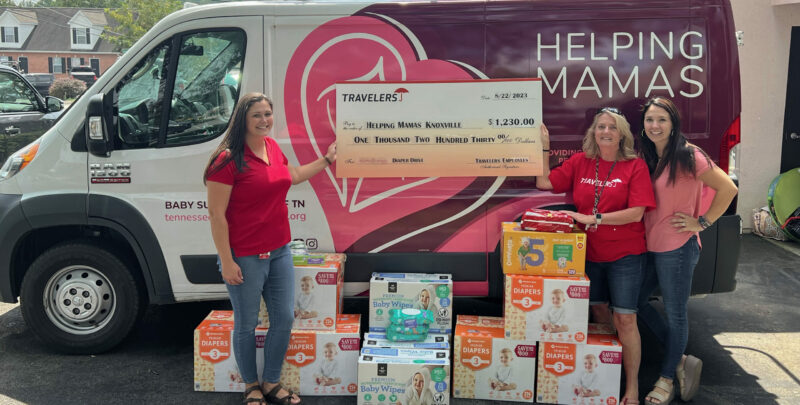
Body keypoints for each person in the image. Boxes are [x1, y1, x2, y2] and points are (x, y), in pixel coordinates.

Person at [204, 92, 336, 405]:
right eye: (257, 116)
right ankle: (251, 386)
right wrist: (227, 260)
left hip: (279, 250)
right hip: (246, 256)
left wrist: (328, 159)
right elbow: (216, 216)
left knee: (284, 319)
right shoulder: (227, 160)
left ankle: (272, 382)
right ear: (243, 121)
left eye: (268, 114)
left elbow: (293, 175)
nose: (265, 121)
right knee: (246, 324)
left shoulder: (272, 147)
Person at [536, 108, 656, 405]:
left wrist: (592, 219)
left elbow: (637, 212)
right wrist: (544, 147)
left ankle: (632, 388)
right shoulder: (581, 162)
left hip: (626, 254)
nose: (605, 131)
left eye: (612, 128)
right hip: (589, 254)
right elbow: (545, 183)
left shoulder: (635, 166)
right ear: (593, 132)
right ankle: (607, 378)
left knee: (625, 319)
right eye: (600, 126)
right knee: (600, 316)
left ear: (622, 135)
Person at [636, 97, 738, 405]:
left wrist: (702, 222)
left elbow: (728, 188)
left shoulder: (689, 155)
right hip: (651, 245)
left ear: (673, 123)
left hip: (678, 248)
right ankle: (679, 358)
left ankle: (666, 379)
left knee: (677, 314)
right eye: (650, 120)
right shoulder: (652, 156)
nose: (655, 126)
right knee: (634, 302)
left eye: (661, 120)